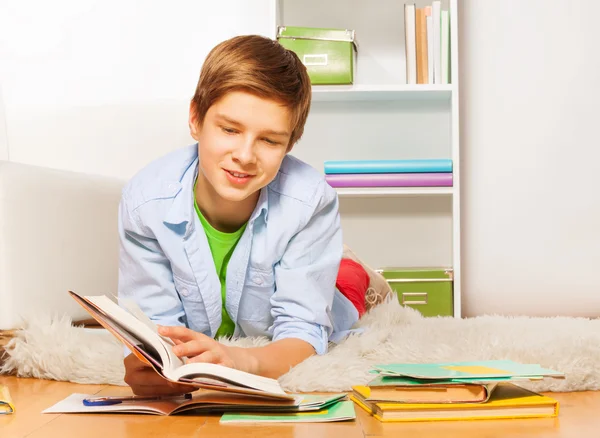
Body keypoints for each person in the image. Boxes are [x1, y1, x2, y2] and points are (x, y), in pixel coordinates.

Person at [117, 34, 392, 396]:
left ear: (290, 144)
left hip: (338, 283)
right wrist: (151, 365)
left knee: (346, 293)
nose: (245, 155)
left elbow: (303, 333)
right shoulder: (145, 202)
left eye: (269, 140)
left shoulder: (310, 200)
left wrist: (240, 360)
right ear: (196, 118)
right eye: (230, 129)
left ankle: (353, 269)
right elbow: (155, 328)